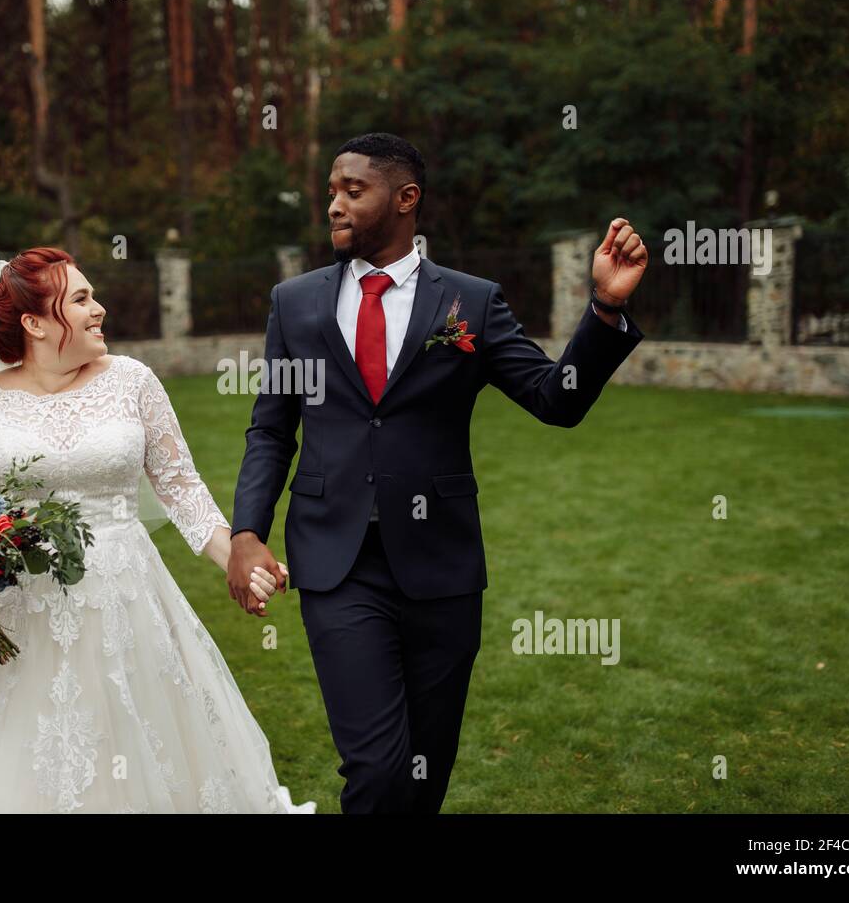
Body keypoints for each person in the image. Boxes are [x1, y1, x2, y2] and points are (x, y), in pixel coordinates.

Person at [228, 132, 649, 813]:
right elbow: (272, 428)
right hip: (336, 563)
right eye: (330, 191)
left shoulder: (471, 303)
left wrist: (605, 310)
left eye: (351, 191)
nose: (333, 205)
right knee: (378, 768)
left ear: (405, 199)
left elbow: (556, 398)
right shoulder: (296, 304)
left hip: (443, 570)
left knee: (423, 778)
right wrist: (247, 530)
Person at [0, 246, 315, 813]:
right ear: (34, 322)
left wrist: (239, 557)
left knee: (135, 744)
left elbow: (183, 491)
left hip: (125, 603)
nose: (99, 309)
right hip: (20, 617)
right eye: (81, 298)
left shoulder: (133, 381)